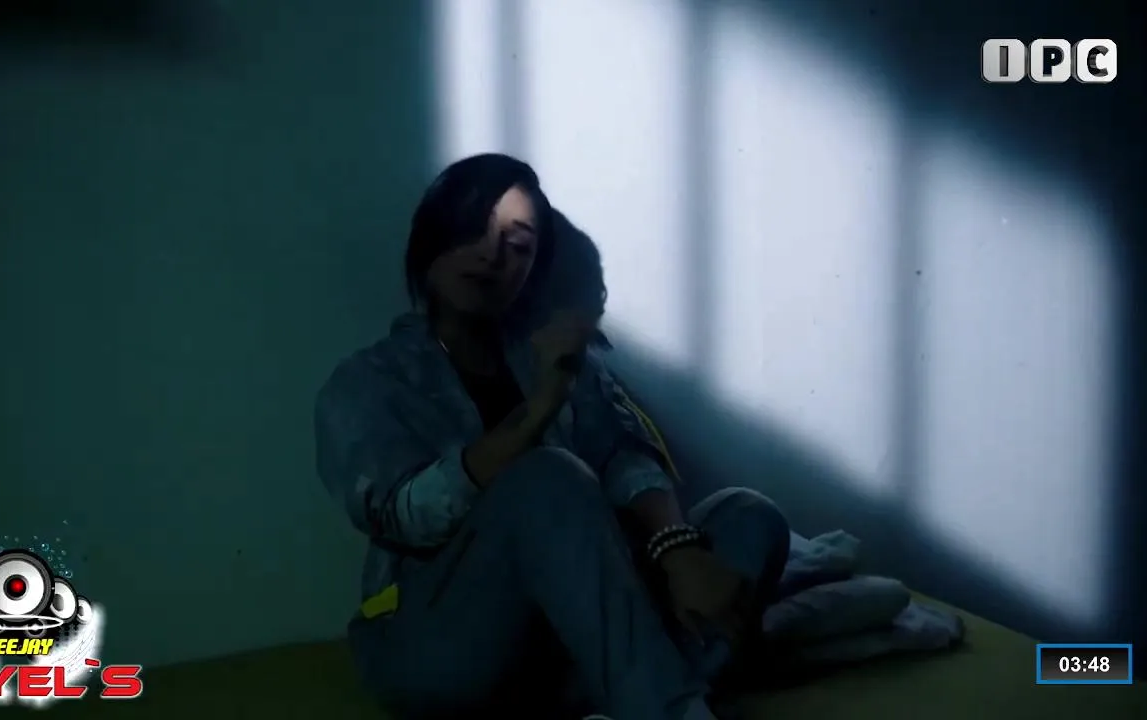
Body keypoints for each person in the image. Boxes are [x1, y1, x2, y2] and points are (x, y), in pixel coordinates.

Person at [314, 154, 790, 720]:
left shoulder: (558, 358)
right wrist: (538, 410)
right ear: (433, 234)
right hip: (434, 640)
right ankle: (667, 705)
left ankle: (609, 692)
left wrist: (678, 549)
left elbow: (627, 457)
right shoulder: (367, 382)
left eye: (517, 245)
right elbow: (409, 516)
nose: (492, 254)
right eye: (472, 228)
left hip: (571, 637)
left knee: (749, 516)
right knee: (545, 476)